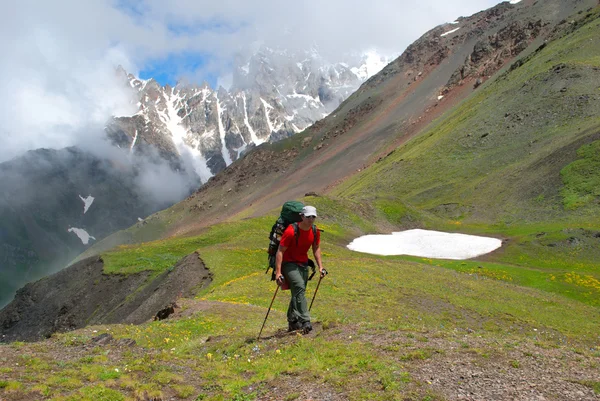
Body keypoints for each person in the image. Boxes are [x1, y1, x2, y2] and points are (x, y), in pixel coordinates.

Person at [275, 205, 326, 333]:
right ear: (302, 216)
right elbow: (280, 251)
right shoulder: (291, 231)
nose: (311, 219)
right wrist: (278, 272)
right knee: (299, 288)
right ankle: (305, 321)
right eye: (308, 217)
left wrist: (321, 267)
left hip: (303, 264)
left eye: (313, 217)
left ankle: (292, 320)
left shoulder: (315, 231)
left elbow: (316, 248)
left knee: (297, 292)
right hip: (289, 264)